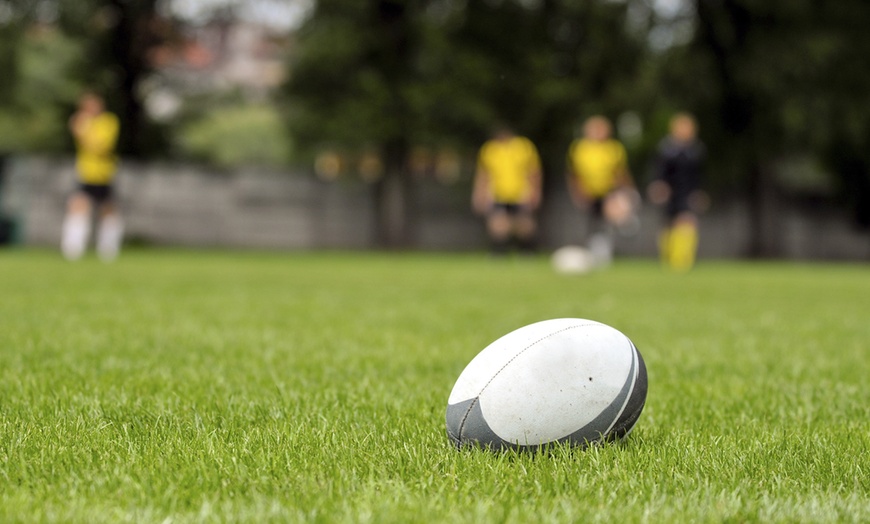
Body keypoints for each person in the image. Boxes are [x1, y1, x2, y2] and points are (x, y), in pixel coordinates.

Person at [566, 115, 636, 265]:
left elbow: (621, 172)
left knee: (609, 220)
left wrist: (628, 191)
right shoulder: (579, 148)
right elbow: (574, 173)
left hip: (609, 191)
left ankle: (608, 249)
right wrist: (578, 192)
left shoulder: (614, 148)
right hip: (589, 193)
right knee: (594, 222)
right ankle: (595, 252)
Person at [62, 92, 123, 261]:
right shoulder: (80, 121)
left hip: (105, 174)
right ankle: (73, 250)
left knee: (108, 211)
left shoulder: (109, 121)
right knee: (78, 208)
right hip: (85, 172)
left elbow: (101, 146)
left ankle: (108, 251)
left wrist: (84, 131)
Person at [648, 112, 707, 272]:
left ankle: (682, 261)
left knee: (687, 221)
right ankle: (668, 257)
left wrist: (699, 192)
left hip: (687, 192)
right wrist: (658, 187)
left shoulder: (696, 150)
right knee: (668, 224)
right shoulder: (666, 149)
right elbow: (659, 173)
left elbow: (699, 176)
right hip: (669, 192)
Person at [472, 125, 543, 255]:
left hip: (521, 193)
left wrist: (535, 192)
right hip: (498, 193)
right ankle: (500, 252)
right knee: (498, 223)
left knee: (524, 223)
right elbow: (483, 174)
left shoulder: (524, 147)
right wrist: (479, 194)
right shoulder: (489, 149)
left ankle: (526, 251)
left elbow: (534, 172)